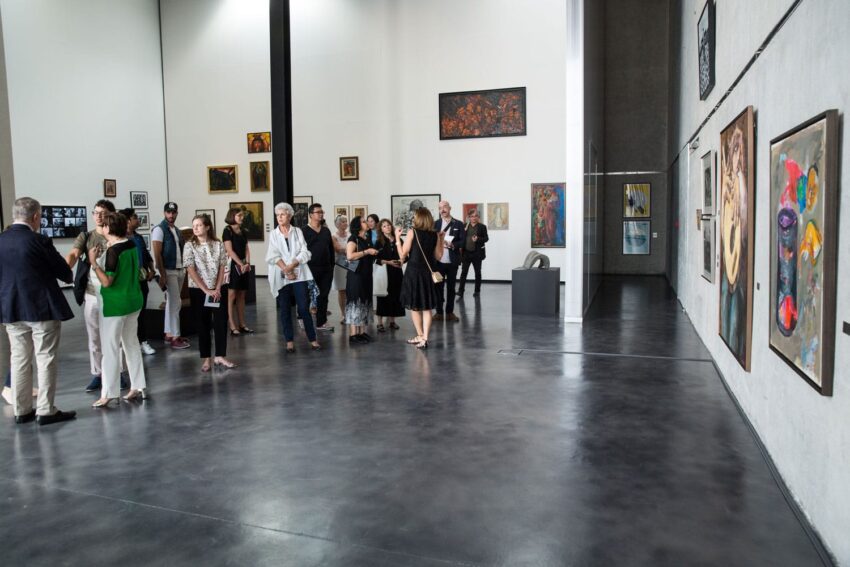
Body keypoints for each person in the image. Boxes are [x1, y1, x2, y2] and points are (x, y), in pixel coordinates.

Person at [1, 197, 77, 425]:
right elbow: (64, 273)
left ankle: (22, 409)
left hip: (11, 309)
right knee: (45, 358)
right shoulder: (38, 241)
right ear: (35, 217)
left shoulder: (1, 241)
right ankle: (45, 410)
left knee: (19, 359)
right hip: (41, 308)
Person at [66, 198, 128, 392]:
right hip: (92, 294)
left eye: (103, 212)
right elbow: (74, 254)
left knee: (115, 336)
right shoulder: (86, 236)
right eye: (95, 212)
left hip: (113, 293)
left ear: (111, 215)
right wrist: (62, 268)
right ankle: (98, 374)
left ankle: (118, 373)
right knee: (94, 337)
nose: (98, 216)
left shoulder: (116, 236)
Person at [88, 212, 148, 406]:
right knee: (131, 344)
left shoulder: (114, 251)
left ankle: (108, 393)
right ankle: (138, 386)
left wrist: (94, 262)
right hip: (133, 301)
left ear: (107, 228)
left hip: (115, 305)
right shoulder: (131, 244)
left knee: (111, 348)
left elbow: (107, 282)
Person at [184, 214, 237, 372]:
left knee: (221, 321)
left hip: (218, 288)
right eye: (194, 225)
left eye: (199, 225)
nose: (195, 228)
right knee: (203, 324)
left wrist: (218, 287)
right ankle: (206, 358)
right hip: (198, 289)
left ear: (207, 227)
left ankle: (220, 355)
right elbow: (190, 268)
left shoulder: (218, 244)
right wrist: (206, 289)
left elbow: (222, 265)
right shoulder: (189, 245)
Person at [266, 202, 321, 352]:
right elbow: (273, 255)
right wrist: (285, 269)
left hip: (299, 274)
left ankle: (313, 339)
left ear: (289, 216)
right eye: (277, 215)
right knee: (284, 310)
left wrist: (292, 266)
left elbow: (305, 252)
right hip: (282, 276)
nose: (279, 217)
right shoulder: (273, 234)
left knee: (303, 308)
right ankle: (289, 341)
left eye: (282, 214)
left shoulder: (297, 231)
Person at [398, 207, 444, 349]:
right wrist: (441, 240)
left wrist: (397, 240)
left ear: (418, 218)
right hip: (428, 274)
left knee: (415, 306)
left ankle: (420, 335)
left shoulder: (412, 232)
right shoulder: (434, 234)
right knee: (427, 307)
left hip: (413, 273)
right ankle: (424, 338)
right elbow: (439, 256)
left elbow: (402, 255)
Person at [151, 201, 190, 349]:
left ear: (177, 213)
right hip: (169, 270)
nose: (171, 215)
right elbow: (157, 253)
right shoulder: (159, 230)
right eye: (168, 212)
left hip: (179, 269)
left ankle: (169, 333)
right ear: (164, 213)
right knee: (175, 303)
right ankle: (176, 336)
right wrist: (162, 273)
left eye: (173, 212)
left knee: (172, 303)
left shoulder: (177, 230)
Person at [121, 208, 157, 355]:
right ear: (128, 220)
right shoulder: (121, 238)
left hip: (141, 280)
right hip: (127, 281)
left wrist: (151, 269)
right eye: (135, 217)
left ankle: (142, 341)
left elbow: (146, 255)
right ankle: (128, 343)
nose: (138, 220)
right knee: (128, 313)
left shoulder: (138, 238)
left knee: (141, 313)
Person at [345, 216, 379, 343]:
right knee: (355, 301)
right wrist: (366, 252)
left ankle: (362, 332)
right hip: (356, 276)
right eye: (364, 221)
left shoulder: (367, 238)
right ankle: (353, 335)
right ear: (358, 225)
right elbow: (350, 256)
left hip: (366, 274)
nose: (367, 223)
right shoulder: (353, 238)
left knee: (365, 300)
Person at [302, 203, 335, 332]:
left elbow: (330, 249)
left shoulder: (326, 230)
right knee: (307, 295)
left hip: (326, 268)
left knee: (324, 295)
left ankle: (321, 322)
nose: (321, 214)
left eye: (322, 212)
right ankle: (304, 320)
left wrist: (331, 265)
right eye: (318, 212)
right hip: (310, 268)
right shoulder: (304, 230)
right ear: (311, 214)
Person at [222, 207, 253, 336]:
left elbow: (246, 248)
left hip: (243, 265)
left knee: (241, 295)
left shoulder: (243, 231)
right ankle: (232, 325)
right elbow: (229, 250)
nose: (242, 217)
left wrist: (247, 263)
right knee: (231, 295)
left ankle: (242, 323)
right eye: (239, 215)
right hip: (233, 265)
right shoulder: (227, 230)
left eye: (242, 215)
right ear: (232, 216)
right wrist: (241, 264)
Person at [433, 200, 465, 322]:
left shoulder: (459, 224)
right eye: (440, 207)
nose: (443, 209)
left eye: (445, 207)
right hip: (437, 263)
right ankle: (439, 312)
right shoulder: (435, 224)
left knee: (451, 288)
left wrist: (452, 245)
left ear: (450, 208)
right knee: (437, 287)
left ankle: (450, 312)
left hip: (452, 262)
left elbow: (463, 242)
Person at [375, 218, 404, 332]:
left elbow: (404, 254)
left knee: (395, 295)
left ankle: (392, 321)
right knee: (382, 296)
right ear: (381, 229)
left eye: (388, 225)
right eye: (384, 226)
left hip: (396, 271)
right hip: (384, 272)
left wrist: (401, 262)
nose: (387, 227)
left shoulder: (398, 239)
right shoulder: (379, 242)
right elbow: (375, 259)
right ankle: (380, 323)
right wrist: (388, 262)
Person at [457, 207, 489, 298]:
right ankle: (460, 291)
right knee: (463, 273)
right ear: (469, 217)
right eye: (472, 216)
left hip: (477, 254)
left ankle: (477, 291)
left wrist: (478, 239)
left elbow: (486, 238)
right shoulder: (464, 226)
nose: (474, 218)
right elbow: (460, 238)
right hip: (466, 253)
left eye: (475, 216)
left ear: (478, 217)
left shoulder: (482, 227)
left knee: (477, 273)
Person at [331, 214, 350, 324]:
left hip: (351, 263)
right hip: (339, 264)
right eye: (343, 221)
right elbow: (338, 249)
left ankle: (350, 312)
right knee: (342, 290)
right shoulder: (334, 236)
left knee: (350, 289)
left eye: (346, 221)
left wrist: (349, 250)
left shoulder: (350, 235)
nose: (345, 223)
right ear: (337, 224)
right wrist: (350, 249)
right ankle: (343, 314)